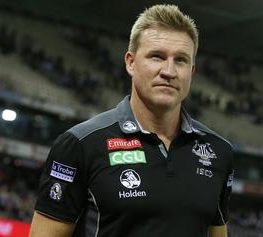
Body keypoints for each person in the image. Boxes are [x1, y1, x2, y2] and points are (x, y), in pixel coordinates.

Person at [30, 4, 234, 237]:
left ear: (192, 71)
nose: (169, 71)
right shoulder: (80, 144)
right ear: (130, 62)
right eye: (157, 56)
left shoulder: (219, 152)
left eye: (181, 60)